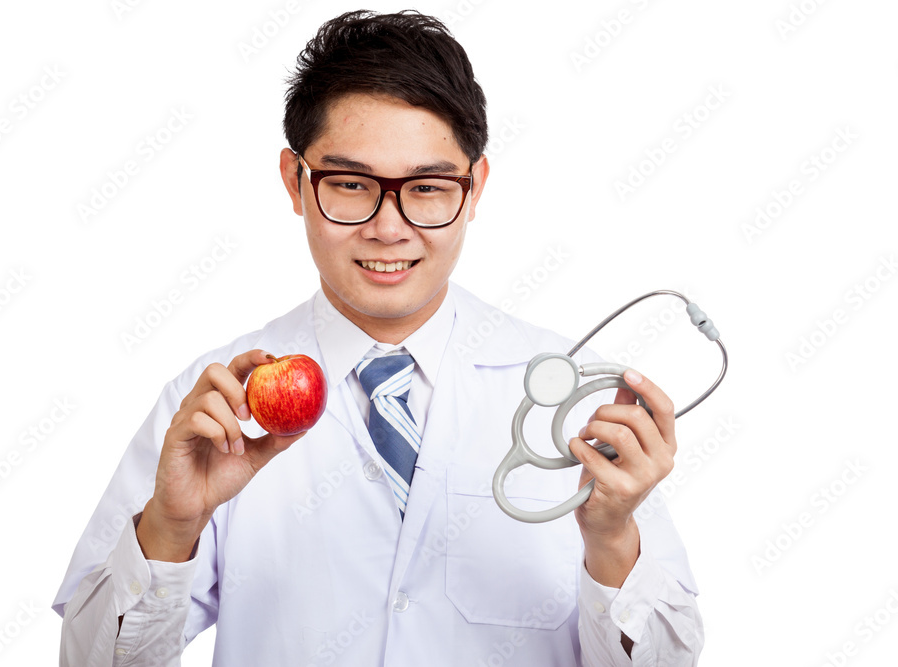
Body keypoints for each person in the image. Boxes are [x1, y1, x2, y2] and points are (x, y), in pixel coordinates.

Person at [54, 10, 703, 665]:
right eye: (350, 184)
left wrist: (612, 539)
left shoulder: (573, 396)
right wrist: (171, 527)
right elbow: (89, 661)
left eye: (427, 188)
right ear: (295, 182)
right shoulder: (214, 407)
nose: (388, 228)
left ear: (475, 188)